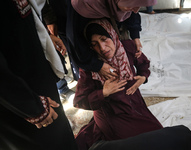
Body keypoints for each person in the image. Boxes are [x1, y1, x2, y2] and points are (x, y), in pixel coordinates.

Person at [73, 18, 163, 150]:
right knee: (131, 144)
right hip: (112, 114)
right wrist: (103, 93)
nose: (102, 48)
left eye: (104, 39)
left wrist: (143, 76)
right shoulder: (90, 69)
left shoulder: (127, 47)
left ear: (113, 35)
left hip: (136, 104)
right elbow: (78, 101)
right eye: (95, 44)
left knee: (159, 134)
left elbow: (143, 63)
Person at [0, 0, 77, 150]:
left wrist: (45, 36)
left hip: (39, 83)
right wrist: (31, 105)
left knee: (61, 136)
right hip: (21, 102)